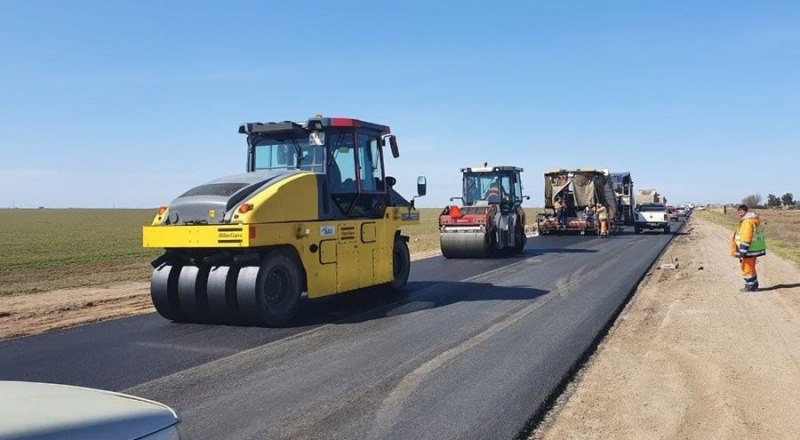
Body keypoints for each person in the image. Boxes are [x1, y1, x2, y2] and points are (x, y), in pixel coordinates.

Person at [730, 204, 767, 292]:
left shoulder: (747, 222)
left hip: (748, 250)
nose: (740, 214)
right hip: (753, 250)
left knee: (746, 269)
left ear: (745, 211)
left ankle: (750, 287)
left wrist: (742, 253)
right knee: (751, 268)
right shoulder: (753, 220)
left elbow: (746, 238)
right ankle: (754, 285)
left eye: (741, 212)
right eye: (738, 212)